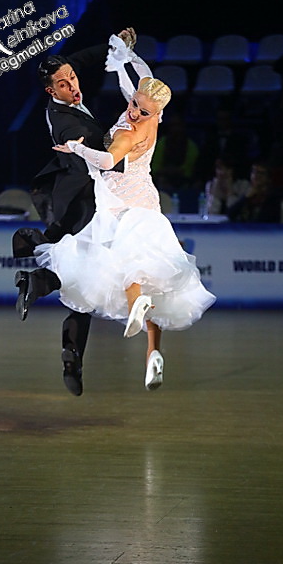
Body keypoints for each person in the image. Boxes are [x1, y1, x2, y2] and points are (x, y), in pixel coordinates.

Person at [34, 35, 216, 391]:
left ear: (155, 114)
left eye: (141, 111)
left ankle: (135, 306)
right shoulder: (152, 114)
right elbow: (141, 80)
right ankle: (152, 352)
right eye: (133, 104)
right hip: (147, 200)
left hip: (119, 203)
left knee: (124, 264)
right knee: (149, 271)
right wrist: (125, 60)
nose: (134, 112)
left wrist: (75, 148)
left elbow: (106, 161)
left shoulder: (129, 133)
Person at [12, 28, 138, 397]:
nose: (73, 86)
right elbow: (100, 154)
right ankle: (38, 283)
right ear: (50, 91)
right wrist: (126, 137)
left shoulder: (69, 82)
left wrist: (115, 44)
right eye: (63, 84)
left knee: (86, 288)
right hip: (85, 205)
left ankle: (69, 352)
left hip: (89, 202)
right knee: (88, 286)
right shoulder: (65, 122)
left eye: (72, 78)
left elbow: (83, 59)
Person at [227, 159, 283, 223]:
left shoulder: (274, 198)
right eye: (254, 172)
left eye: (260, 173)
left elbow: (264, 221)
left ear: (268, 178)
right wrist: (245, 198)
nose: (256, 176)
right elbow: (230, 214)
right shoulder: (247, 194)